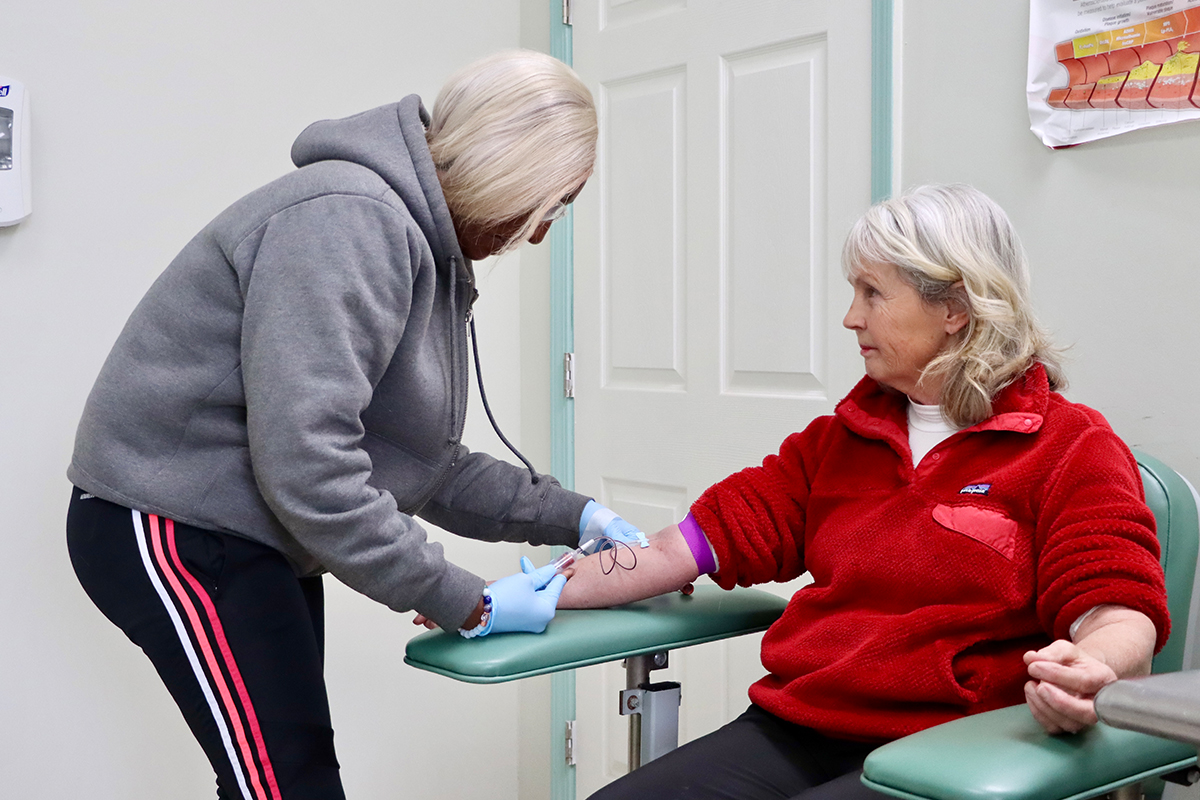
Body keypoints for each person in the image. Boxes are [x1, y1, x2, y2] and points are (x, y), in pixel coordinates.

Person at [65, 49, 649, 799]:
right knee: (288, 785)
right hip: (172, 522)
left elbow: (418, 464)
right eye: (553, 204)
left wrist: (575, 516)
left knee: (282, 779)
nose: (538, 235)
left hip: (253, 531)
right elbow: (309, 464)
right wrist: (466, 600)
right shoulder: (352, 219)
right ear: (512, 171)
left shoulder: (412, 242)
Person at [556, 184, 1170, 800]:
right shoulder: (839, 441)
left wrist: (1092, 670)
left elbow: (1117, 611)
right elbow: (679, 549)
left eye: (872, 293)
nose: (852, 317)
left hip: (956, 743)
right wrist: (523, 595)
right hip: (799, 728)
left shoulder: (1068, 445)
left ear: (954, 305)